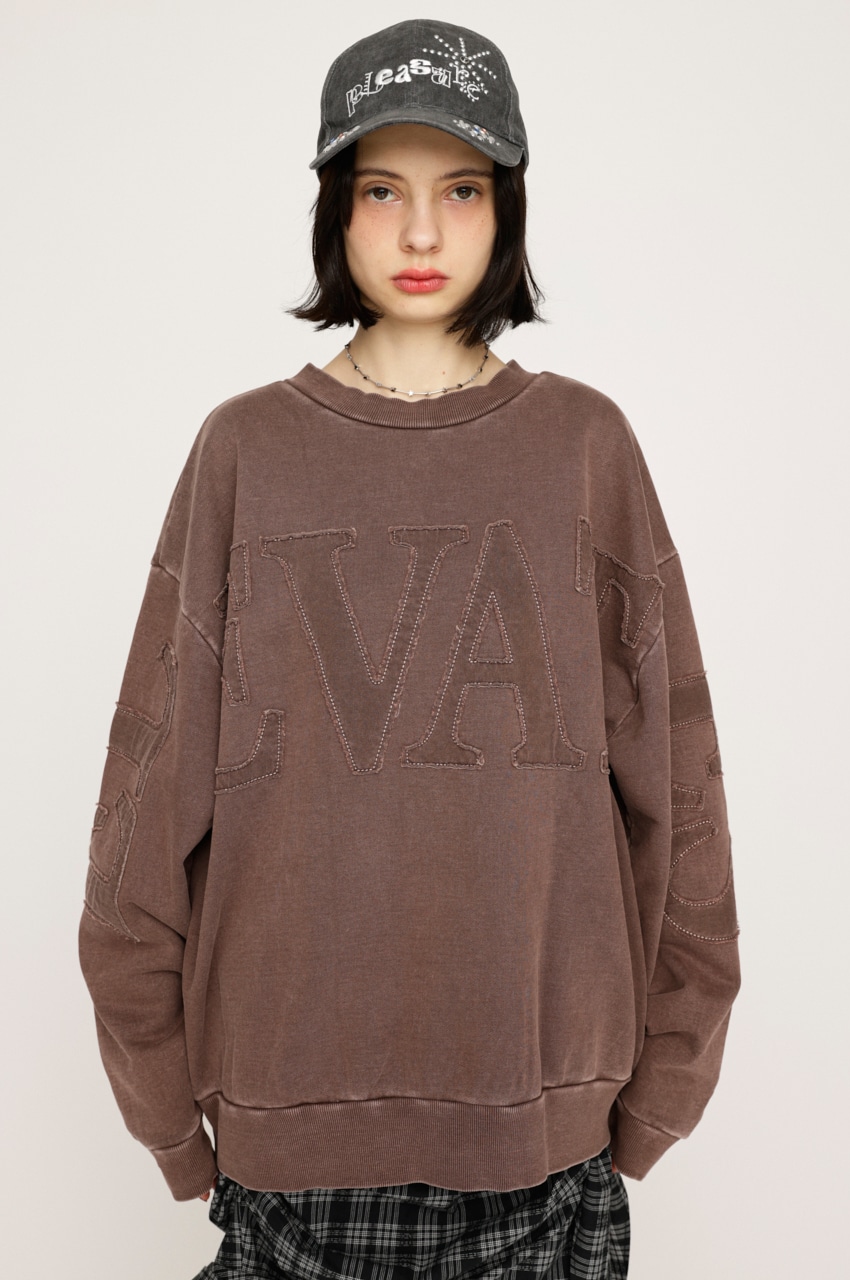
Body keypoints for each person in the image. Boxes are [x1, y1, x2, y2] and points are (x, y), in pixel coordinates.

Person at [78, 18, 741, 1279]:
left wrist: (665, 1082)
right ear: (335, 209)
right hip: (289, 1152)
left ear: (508, 209)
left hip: (545, 1144)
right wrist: (164, 1109)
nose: (423, 232)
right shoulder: (244, 452)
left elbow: (680, 790)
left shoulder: (585, 449)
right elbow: (143, 811)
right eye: (383, 190)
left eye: (462, 190)